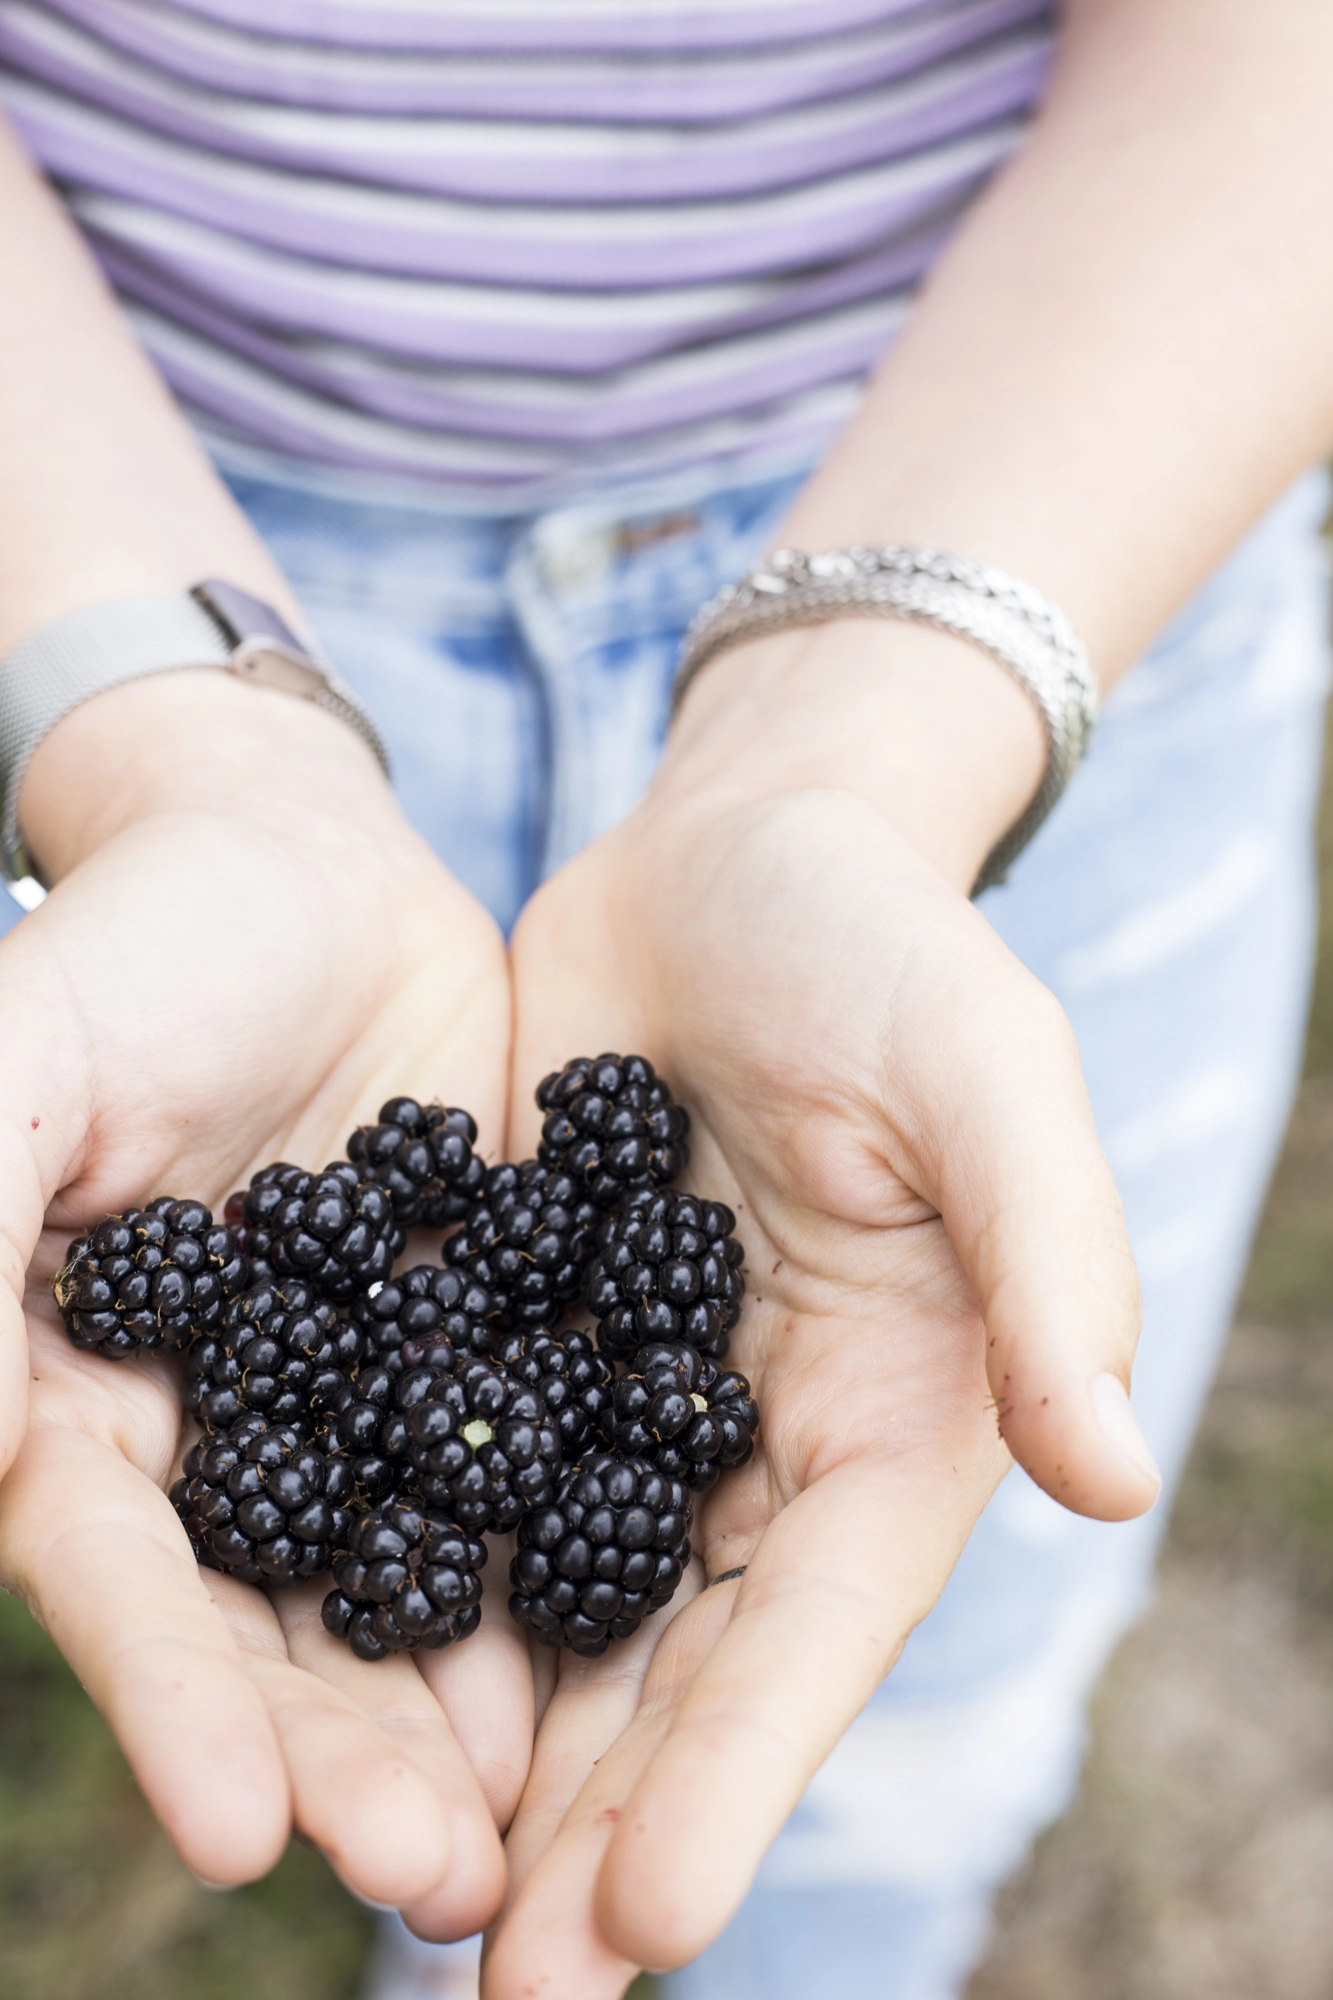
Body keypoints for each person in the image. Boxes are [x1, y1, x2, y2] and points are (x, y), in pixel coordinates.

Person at [0, 3, 1330, 1996]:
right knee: (492, 1826)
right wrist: (151, 745)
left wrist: (865, 751)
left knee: (907, 1704)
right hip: (96, 533)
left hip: (1068, 494)